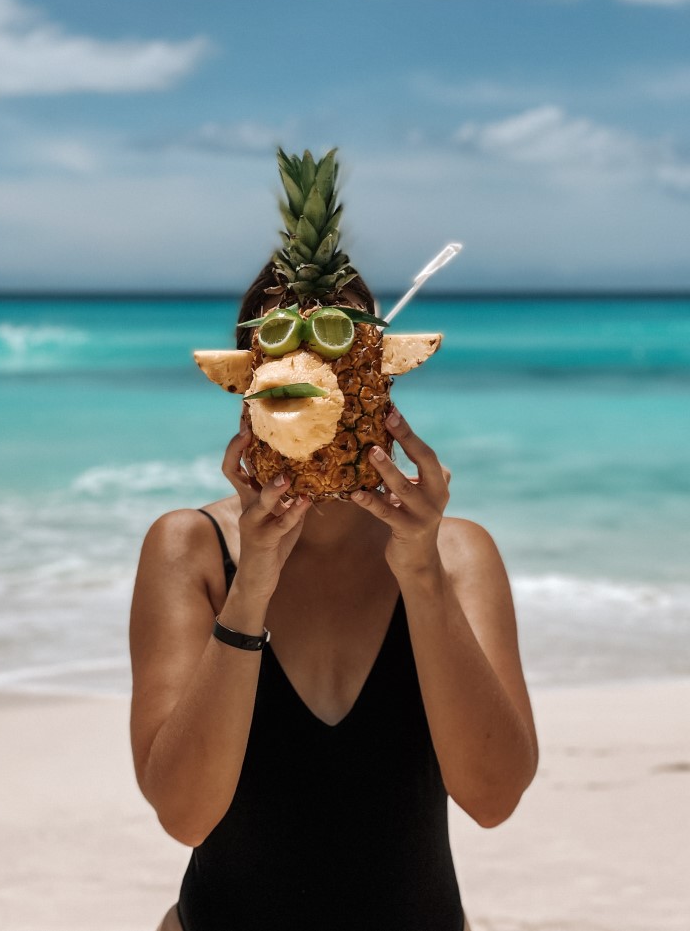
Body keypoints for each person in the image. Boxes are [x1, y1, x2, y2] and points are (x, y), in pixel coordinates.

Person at [130, 263, 539, 931]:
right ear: (249, 386)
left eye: (338, 353)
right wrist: (252, 585)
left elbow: (493, 797)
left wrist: (422, 576)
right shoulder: (192, 549)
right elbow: (184, 813)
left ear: (376, 380)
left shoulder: (457, 556)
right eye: (285, 354)